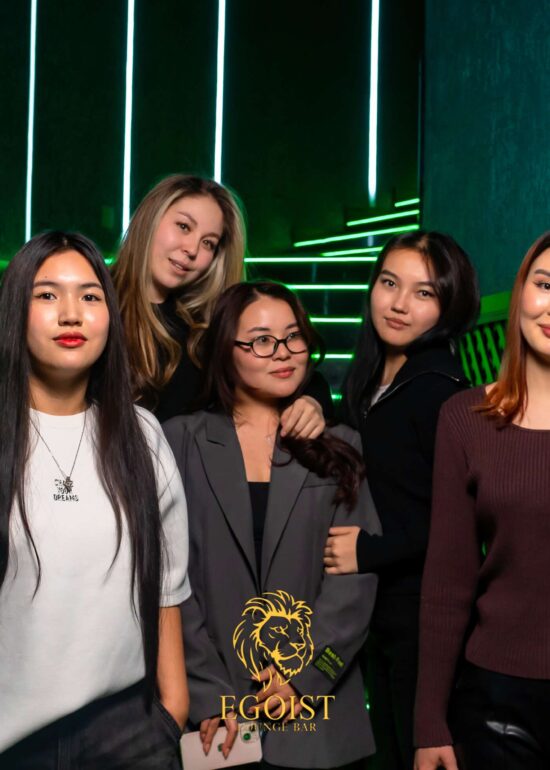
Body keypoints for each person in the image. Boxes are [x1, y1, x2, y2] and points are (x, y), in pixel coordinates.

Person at [163, 281, 381, 769]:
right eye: (262, 340)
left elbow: (353, 585)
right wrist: (205, 693)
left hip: (318, 720)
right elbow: (169, 580)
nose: (283, 352)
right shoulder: (180, 441)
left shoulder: (341, 445)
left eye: (293, 336)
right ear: (227, 350)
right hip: (216, 719)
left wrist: (304, 678)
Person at [0, 232, 191, 769]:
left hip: (128, 731)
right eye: (46, 295)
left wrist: (172, 709)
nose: (71, 314)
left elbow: (167, 583)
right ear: (14, 312)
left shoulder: (142, 434)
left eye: (90, 296)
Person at [323, 232, 480, 770]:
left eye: (423, 292)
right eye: (389, 283)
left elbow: (460, 525)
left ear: (449, 305)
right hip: (377, 613)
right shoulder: (372, 377)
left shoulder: (440, 391)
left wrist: (369, 552)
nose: (398, 303)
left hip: (424, 617)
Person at [414, 231, 550, 770]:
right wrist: (429, 723)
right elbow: (447, 581)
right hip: (497, 701)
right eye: (545, 284)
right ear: (521, 292)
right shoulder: (465, 420)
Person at [112, 174, 332, 432]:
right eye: (183, 226)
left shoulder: (204, 329)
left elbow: (297, 374)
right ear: (150, 218)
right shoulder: (95, 305)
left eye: (208, 243)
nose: (192, 249)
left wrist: (313, 401)